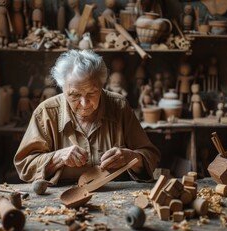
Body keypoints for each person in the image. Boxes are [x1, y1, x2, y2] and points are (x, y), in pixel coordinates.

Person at [14, 50, 160, 185]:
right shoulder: (46, 112)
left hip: (115, 192)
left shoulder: (119, 106)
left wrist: (131, 157)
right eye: (75, 95)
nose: (84, 104)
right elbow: (25, 166)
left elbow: (151, 156)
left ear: (102, 85)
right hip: (62, 194)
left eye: (92, 93)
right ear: (62, 87)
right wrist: (57, 157)